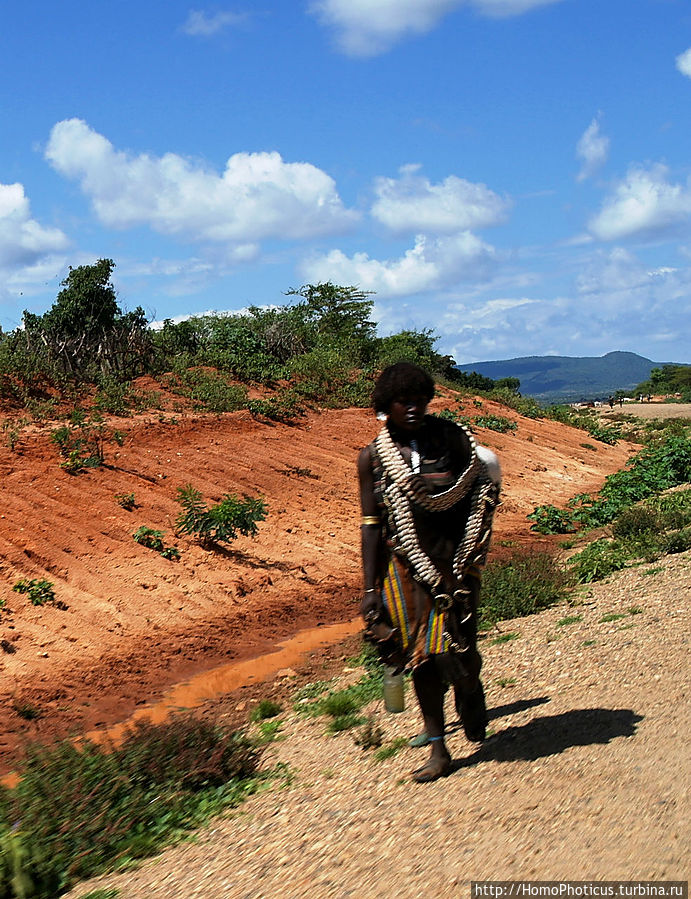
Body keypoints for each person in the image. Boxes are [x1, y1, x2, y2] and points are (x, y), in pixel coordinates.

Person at [358, 363, 501, 782]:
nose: (414, 409)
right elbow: (370, 523)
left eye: (420, 400)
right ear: (387, 406)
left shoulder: (453, 441)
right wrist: (369, 588)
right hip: (404, 568)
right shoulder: (373, 458)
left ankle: (470, 689)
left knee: (461, 647)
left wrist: (463, 556)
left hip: (456, 563)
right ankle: (439, 748)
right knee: (421, 657)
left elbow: (478, 497)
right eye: (405, 402)